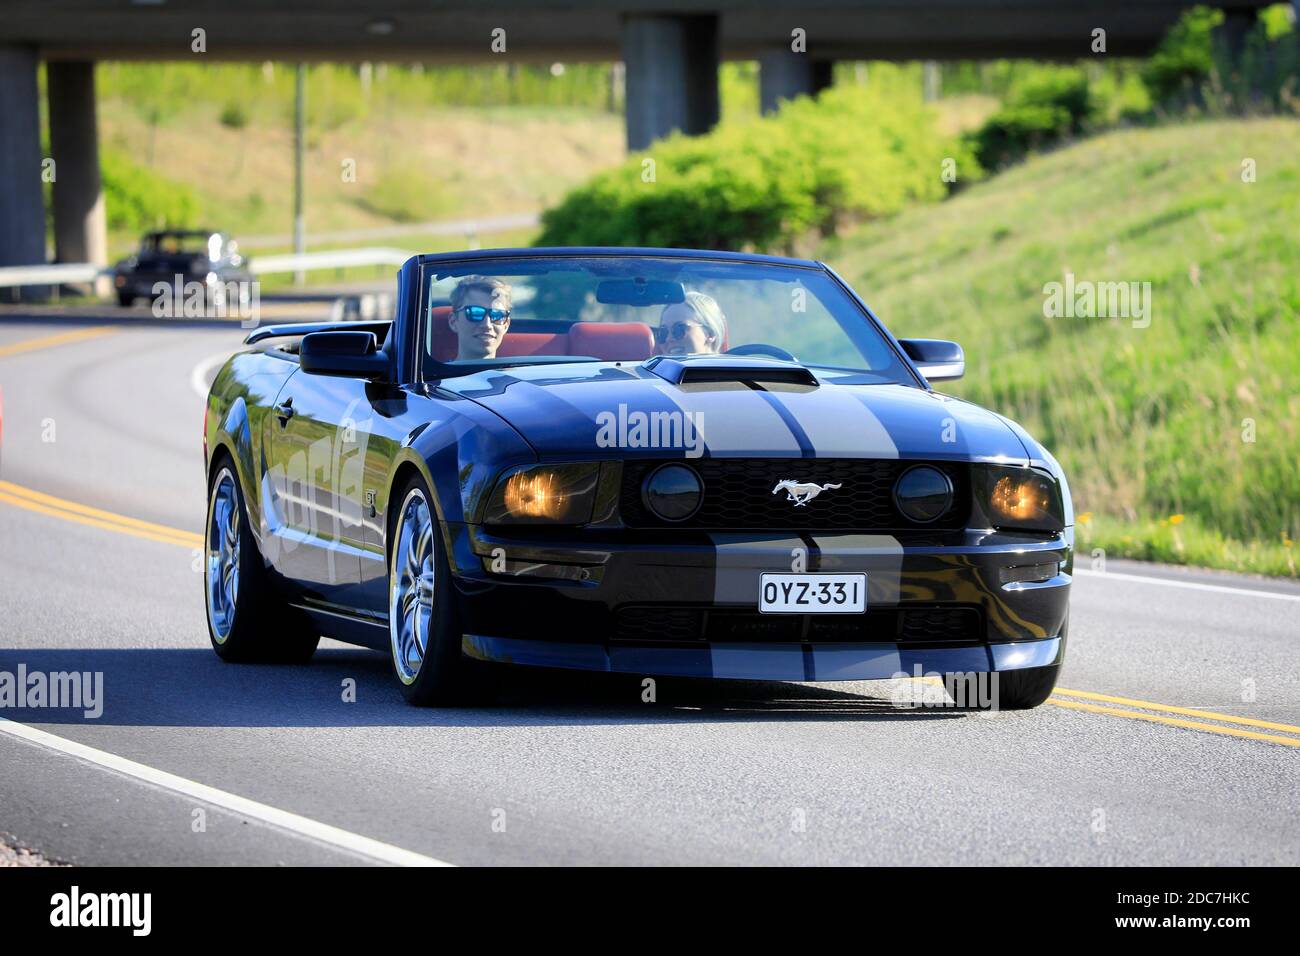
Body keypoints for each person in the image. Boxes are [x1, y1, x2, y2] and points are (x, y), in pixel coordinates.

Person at [449, 275, 512, 360]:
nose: (487, 325)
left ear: (506, 325)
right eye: (475, 313)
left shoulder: (525, 372)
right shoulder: (430, 373)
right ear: (453, 321)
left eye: (497, 315)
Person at [656, 291, 727, 356]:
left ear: (710, 333)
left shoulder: (734, 368)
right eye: (663, 333)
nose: (669, 338)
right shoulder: (654, 369)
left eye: (679, 329)